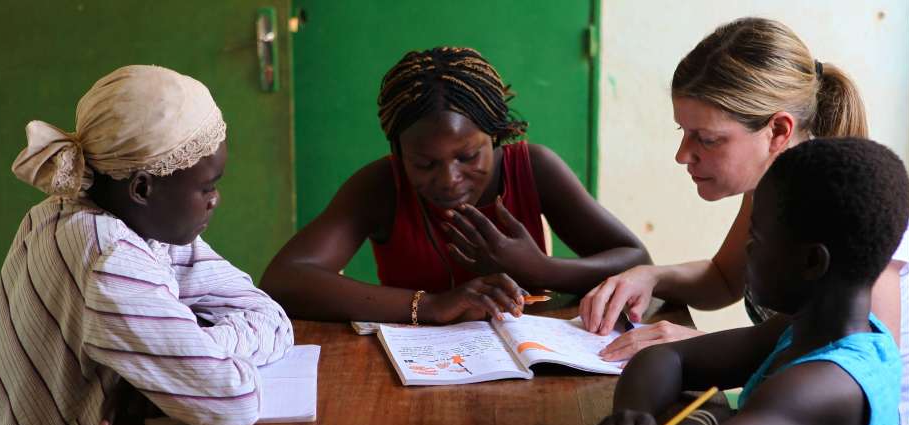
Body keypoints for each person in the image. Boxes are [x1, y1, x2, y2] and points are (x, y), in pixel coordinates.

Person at [0, 65, 293, 425]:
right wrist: (175, 368)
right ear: (142, 189)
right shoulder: (111, 260)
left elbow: (271, 317)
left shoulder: (66, 214)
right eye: (206, 188)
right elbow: (233, 401)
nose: (215, 200)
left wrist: (163, 368)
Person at [262, 46, 649, 324]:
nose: (448, 179)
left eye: (467, 157)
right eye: (425, 163)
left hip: (526, 358)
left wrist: (541, 268)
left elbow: (636, 260)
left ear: (496, 137)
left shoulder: (533, 168)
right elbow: (286, 280)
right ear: (397, 151)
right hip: (417, 370)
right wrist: (432, 306)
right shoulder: (381, 185)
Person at [594, 137, 907, 425]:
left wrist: (706, 420)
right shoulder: (807, 328)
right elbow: (665, 358)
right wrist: (633, 418)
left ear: (812, 261)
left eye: (756, 239)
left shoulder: (828, 385)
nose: (746, 250)